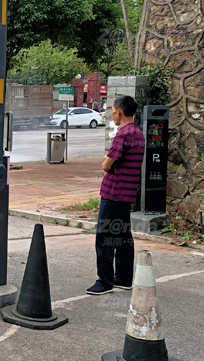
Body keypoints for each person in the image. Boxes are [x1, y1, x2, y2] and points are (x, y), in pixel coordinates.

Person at [86, 95, 145, 295]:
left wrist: (106, 160)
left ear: (119, 111)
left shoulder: (123, 134)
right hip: (127, 194)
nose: (111, 113)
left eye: (112, 109)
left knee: (104, 237)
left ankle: (104, 281)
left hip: (113, 193)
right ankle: (124, 278)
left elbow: (106, 164)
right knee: (122, 235)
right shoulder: (138, 133)